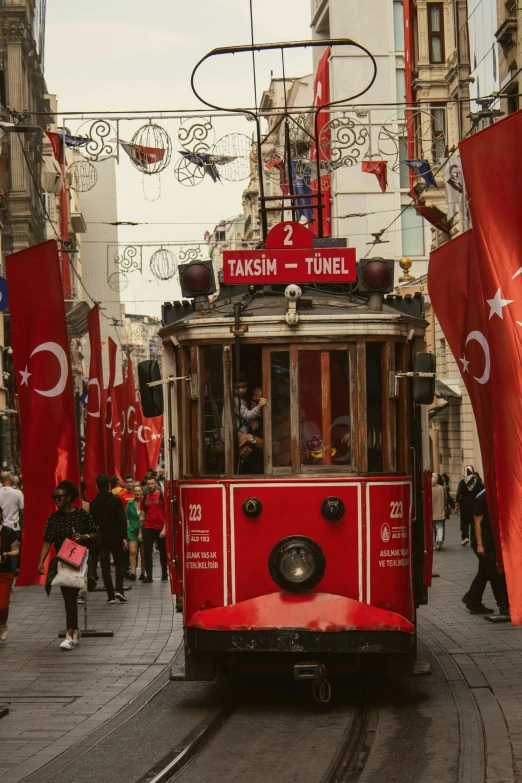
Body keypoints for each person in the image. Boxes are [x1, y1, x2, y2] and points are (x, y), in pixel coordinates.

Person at [38, 481, 98, 650]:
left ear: (69, 497)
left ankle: (70, 634)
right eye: (54, 497)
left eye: (60, 497)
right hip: (62, 562)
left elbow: (95, 532)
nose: (56, 500)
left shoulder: (81, 515)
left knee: (71, 598)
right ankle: (75, 630)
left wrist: (84, 536)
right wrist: (41, 562)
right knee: (68, 599)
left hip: (78, 561)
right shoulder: (54, 518)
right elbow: (47, 541)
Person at [462, 489, 510, 616]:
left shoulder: (491, 494)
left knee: (484, 571)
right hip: (483, 541)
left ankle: (473, 599)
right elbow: (477, 524)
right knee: (493, 572)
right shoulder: (482, 498)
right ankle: (503, 605)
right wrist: (480, 545)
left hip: (489, 540)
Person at [89, 475, 128, 604]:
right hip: (115, 536)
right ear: (109, 485)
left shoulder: (93, 504)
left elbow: (93, 524)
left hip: (101, 538)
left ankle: (110, 595)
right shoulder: (116, 501)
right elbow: (122, 519)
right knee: (119, 563)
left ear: (97, 486)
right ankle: (119, 590)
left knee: (105, 566)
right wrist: (123, 536)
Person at [220, 372, 267, 441]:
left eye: (244, 387)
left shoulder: (241, 399)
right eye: (237, 388)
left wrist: (250, 439)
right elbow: (247, 415)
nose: (241, 390)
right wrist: (259, 406)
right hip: (232, 437)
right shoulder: (235, 400)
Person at [0, 506, 20, 641]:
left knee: (2, 604)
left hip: (4, 573)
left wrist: (7, 554)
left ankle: (3, 624)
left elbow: (16, 550)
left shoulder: (8, 532)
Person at [142, 475, 167, 582]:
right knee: (147, 552)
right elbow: (143, 513)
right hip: (148, 527)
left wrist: (164, 529)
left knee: (163, 552)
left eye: (152, 483)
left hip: (160, 527)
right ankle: (149, 576)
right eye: (149, 484)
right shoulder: (145, 498)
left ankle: (164, 573)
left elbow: (167, 513)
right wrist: (141, 528)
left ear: (156, 484)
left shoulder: (162, 496)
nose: (150, 486)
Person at [0, 471, 24, 574]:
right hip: (14, 526)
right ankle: (11, 573)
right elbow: (22, 509)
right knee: (14, 551)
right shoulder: (17, 493)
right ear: (10, 480)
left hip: (2, 526)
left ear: (1, 481)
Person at [237, 388, 265, 475]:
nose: (260, 406)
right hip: (239, 478)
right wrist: (236, 450)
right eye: (256, 402)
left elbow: (273, 449)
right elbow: (217, 448)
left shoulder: (269, 424)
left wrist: (250, 438)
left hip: (263, 478)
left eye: (262, 403)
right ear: (248, 401)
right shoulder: (238, 421)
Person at [455, 466, 482, 545]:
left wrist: (457, 502)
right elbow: (480, 492)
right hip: (474, 504)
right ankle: (474, 538)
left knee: (464, 522)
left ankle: (465, 537)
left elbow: (458, 493)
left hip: (464, 505)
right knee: (474, 522)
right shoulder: (477, 481)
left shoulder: (462, 482)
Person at [126, 483, 144, 581]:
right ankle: (133, 572)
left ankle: (142, 572)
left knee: (143, 553)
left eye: (139, 491)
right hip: (132, 530)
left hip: (144, 531)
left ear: (142, 492)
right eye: (135, 491)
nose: (137, 493)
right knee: (133, 552)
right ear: (133, 492)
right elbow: (127, 518)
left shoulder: (145, 502)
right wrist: (128, 529)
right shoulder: (130, 504)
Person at [431, 473, 446, 550]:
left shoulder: (428, 489)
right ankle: (439, 538)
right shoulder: (442, 488)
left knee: (431, 528)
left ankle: (433, 543)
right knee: (439, 526)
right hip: (440, 509)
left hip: (430, 511)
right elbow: (445, 498)